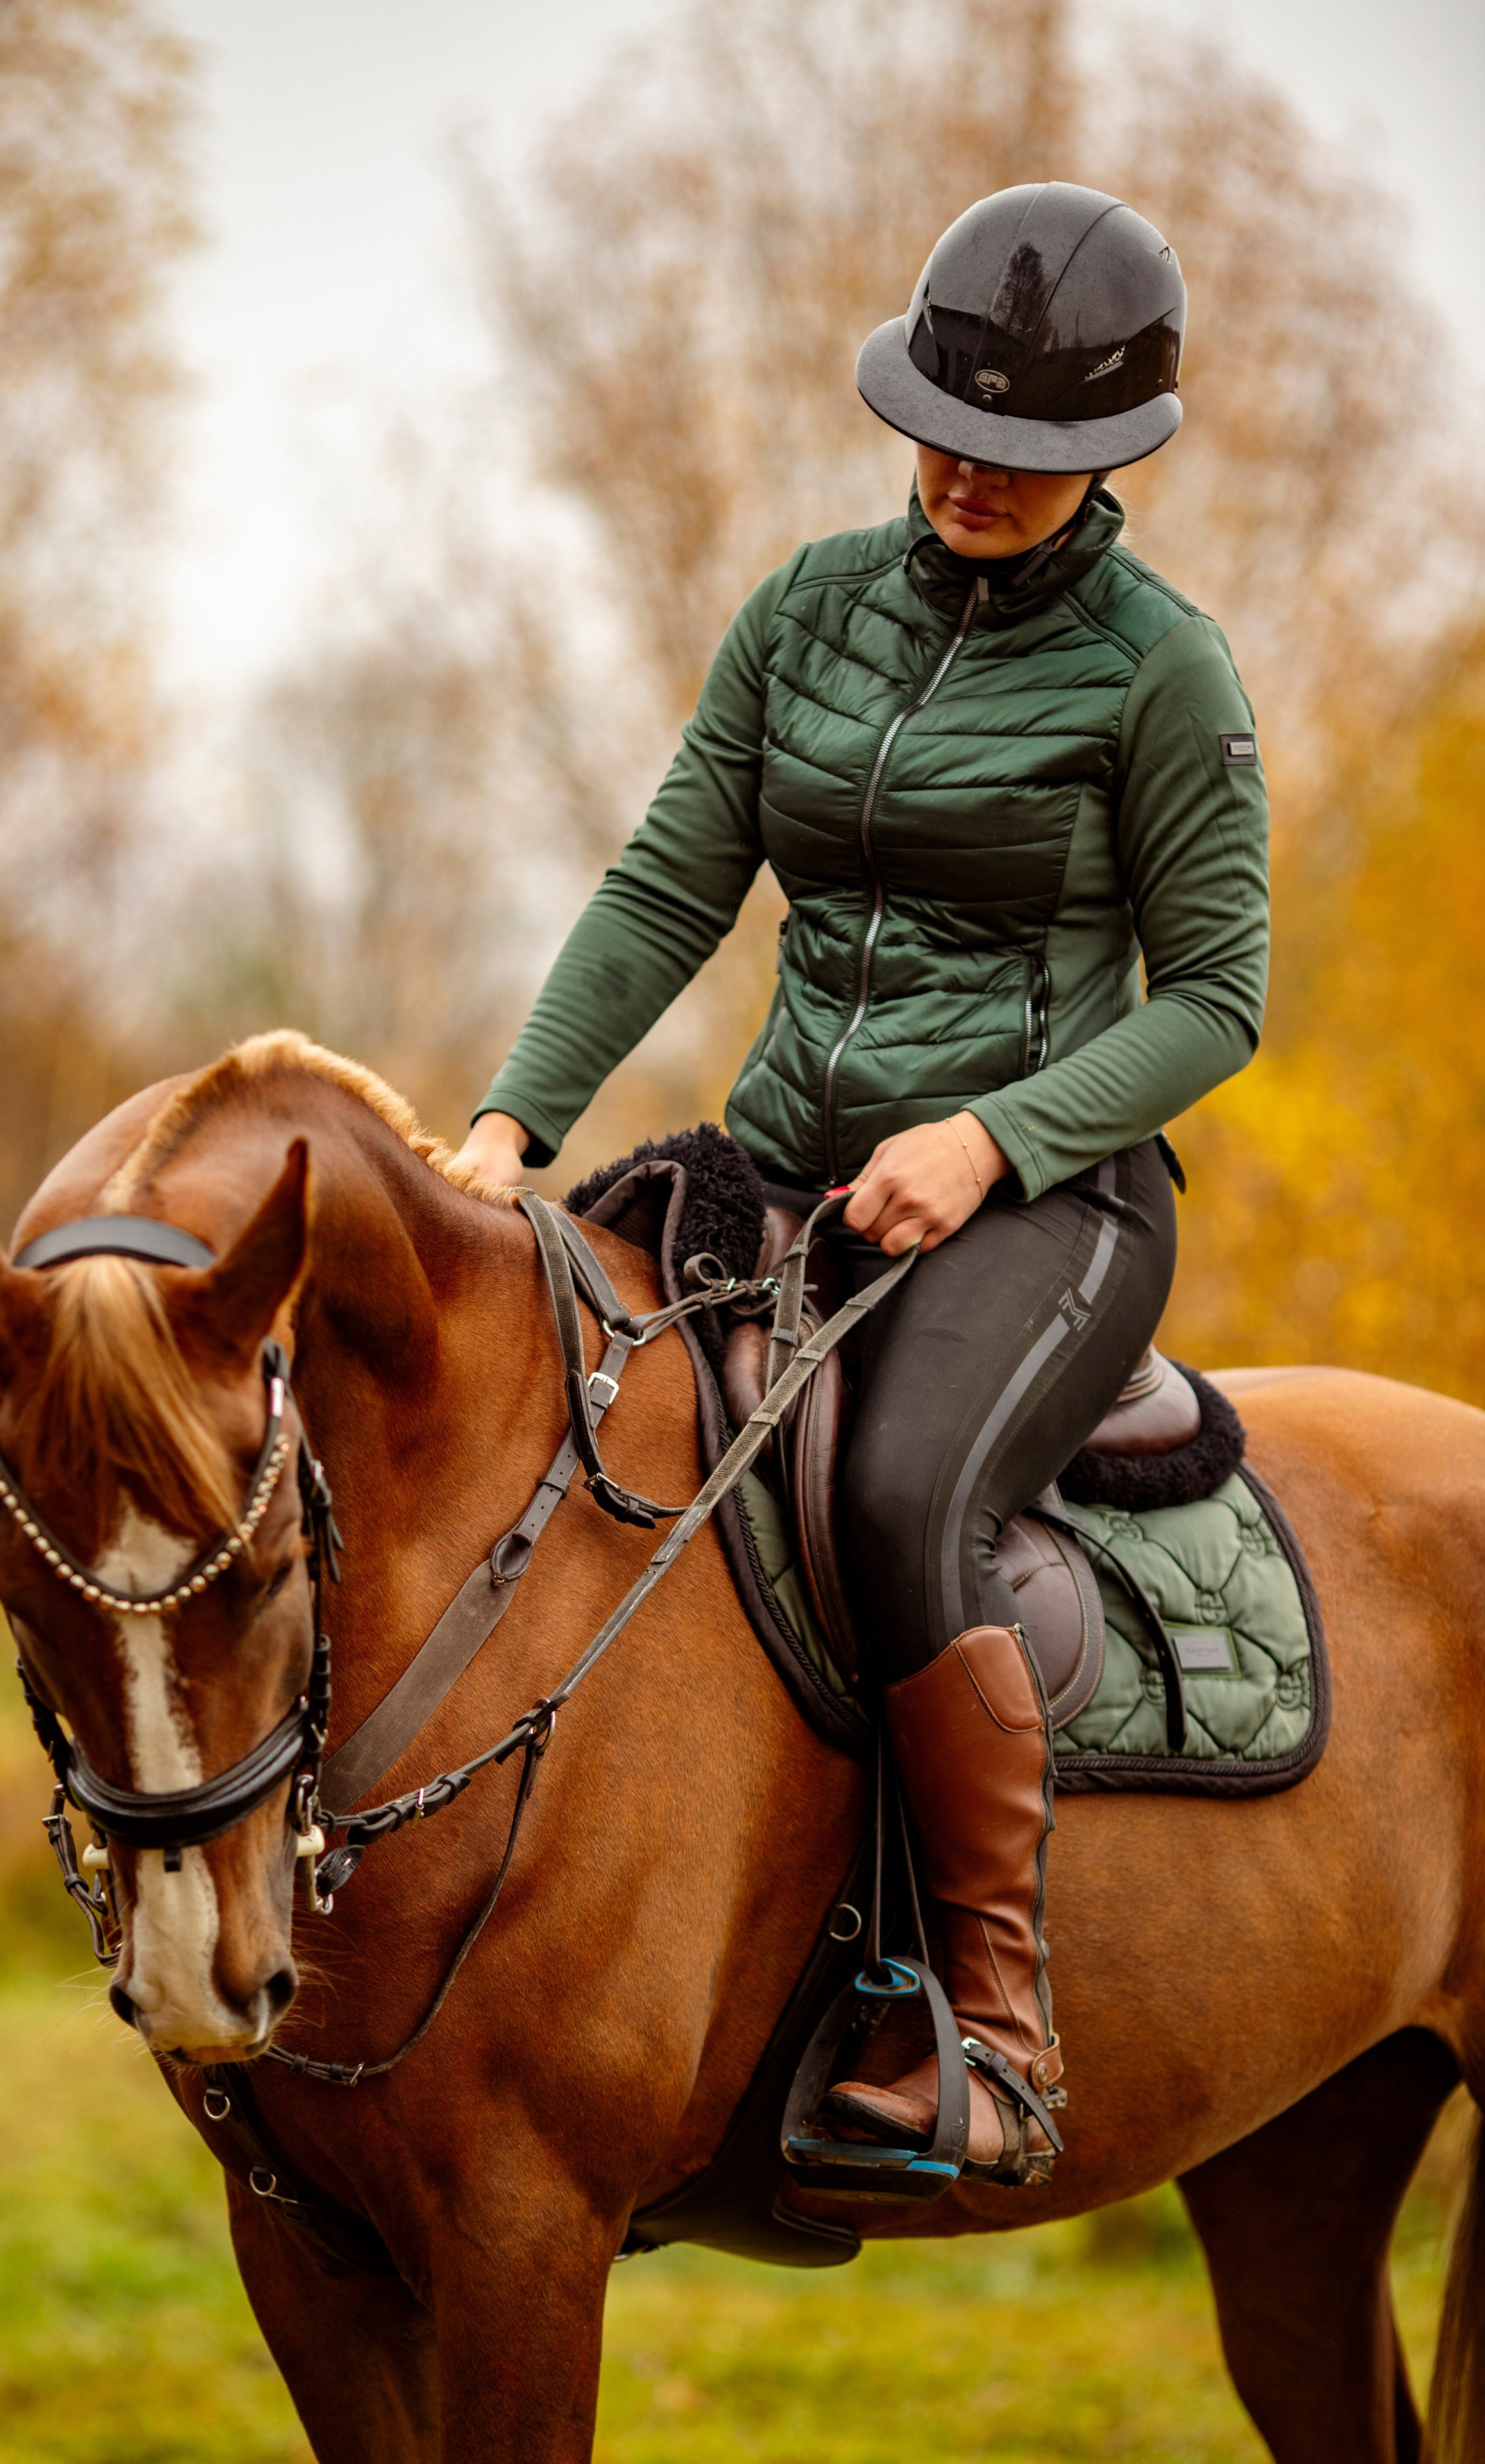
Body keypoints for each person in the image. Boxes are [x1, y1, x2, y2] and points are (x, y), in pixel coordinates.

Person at [453, 182, 1269, 2184]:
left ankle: (992, 2023)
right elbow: (668, 883)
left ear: (1105, 453)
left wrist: (994, 1134)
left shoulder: (1166, 673)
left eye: (1024, 451)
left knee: (902, 1497)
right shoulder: (806, 606)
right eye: (947, 427)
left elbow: (1224, 999)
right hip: (782, 1171)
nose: (970, 474)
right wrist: (502, 1130)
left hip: (1053, 1205)